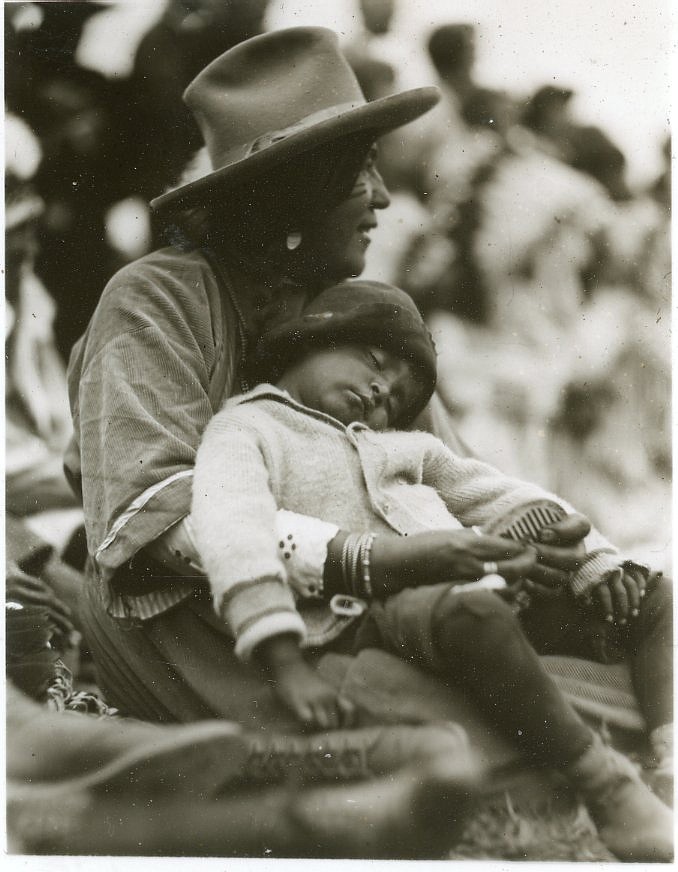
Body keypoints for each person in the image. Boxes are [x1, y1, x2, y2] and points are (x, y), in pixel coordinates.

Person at [68, 26, 590, 752]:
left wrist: (522, 536)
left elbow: (439, 465)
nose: (381, 197)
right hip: (207, 621)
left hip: (370, 602)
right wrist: (360, 558)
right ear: (293, 193)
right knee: (480, 741)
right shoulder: (154, 300)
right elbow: (149, 522)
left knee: (586, 679)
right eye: (360, 172)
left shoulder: (349, 308)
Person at [191, 279, 672, 861]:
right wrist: (282, 654)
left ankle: (669, 761)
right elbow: (233, 526)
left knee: (654, 595)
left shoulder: (403, 447)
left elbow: (496, 491)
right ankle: (605, 783)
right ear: (307, 341)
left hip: (483, 595)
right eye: (375, 363)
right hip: (374, 613)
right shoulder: (247, 429)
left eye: (397, 395)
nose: (380, 391)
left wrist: (592, 555)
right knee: (471, 614)